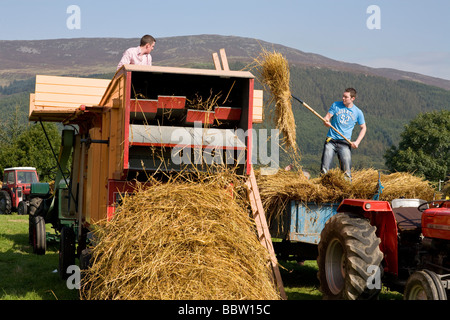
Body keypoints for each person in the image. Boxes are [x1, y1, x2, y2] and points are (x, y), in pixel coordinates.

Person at [320, 88, 366, 181]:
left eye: (346, 97)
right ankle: (322, 186)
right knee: (325, 167)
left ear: (352, 98)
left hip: (345, 143)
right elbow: (327, 118)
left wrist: (357, 142)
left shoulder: (358, 112)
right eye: (343, 96)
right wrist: (326, 122)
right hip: (331, 141)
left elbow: (363, 128)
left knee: (346, 171)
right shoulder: (336, 105)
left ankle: (347, 190)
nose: (343, 98)